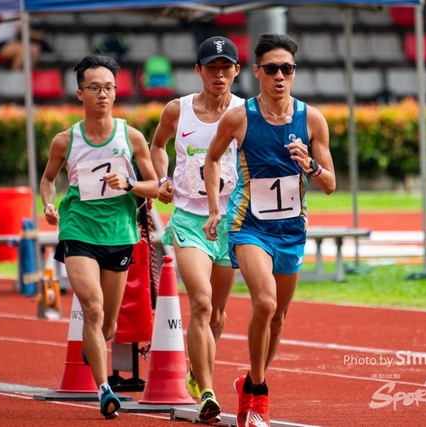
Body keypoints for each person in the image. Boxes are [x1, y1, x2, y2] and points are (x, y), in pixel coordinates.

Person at [203, 33, 336, 427]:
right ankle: (259, 395)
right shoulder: (239, 117)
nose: (280, 76)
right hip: (249, 227)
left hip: (291, 231)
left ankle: (249, 381)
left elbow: (330, 184)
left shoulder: (312, 119)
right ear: (257, 71)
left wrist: (310, 165)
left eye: (287, 69)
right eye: (273, 68)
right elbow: (212, 159)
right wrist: (215, 207)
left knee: (278, 318)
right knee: (265, 304)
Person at [39, 54, 158, 420]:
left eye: (108, 88)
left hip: (119, 233)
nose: (102, 94)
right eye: (94, 88)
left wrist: (130, 183)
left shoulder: (131, 137)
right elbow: (48, 180)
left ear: (115, 92)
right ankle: (104, 389)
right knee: (92, 306)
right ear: (80, 93)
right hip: (78, 229)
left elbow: (156, 187)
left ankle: (96, 343)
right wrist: (49, 205)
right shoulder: (65, 140)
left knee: (108, 323)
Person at [150, 36, 242, 423]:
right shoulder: (178, 110)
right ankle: (207, 393)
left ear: (237, 70)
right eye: (211, 67)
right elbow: (158, 146)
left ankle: (196, 368)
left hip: (231, 222)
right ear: (198, 70)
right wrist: (162, 180)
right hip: (189, 219)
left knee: (217, 315)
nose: (219, 74)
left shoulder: (245, 112)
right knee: (201, 303)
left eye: (225, 67)